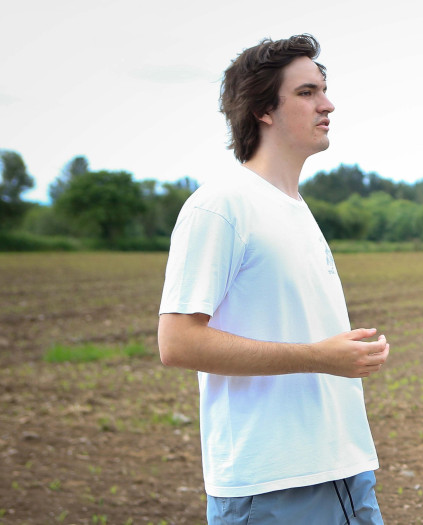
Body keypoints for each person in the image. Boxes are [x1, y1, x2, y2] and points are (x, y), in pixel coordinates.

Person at [157, 34, 389, 525]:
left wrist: (339, 355)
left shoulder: (296, 208)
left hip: (343, 468)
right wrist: (318, 358)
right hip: (271, 485)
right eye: (306, 93)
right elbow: (177, 343)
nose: (327, 104)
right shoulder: (220, 206)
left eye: (323, 89)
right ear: (263, 109)